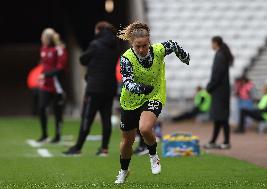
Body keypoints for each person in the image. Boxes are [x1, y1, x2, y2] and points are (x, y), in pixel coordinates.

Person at [114, 21, 190, 184]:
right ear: (132, 44)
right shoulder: (126, 58)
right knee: (127, 141)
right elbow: (126, 82)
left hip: (154, 94)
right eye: (138, 46)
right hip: (131, 99)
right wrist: (140, 88)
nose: (141, 50)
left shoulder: (159, 50)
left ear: (149, 42)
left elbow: (174, 45)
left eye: (144, 46)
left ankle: (154, 156)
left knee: (145, 128)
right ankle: (124, 170)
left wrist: (184, 56)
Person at [63, 21, 119, 156]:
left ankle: (78, 147)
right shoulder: (115, 46)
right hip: (110, 87)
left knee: (87, 117)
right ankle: (104, 148)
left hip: (94, 88)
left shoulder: (95, 44)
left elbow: (83, 59)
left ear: (99, 30)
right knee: (106, 119)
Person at [204, 36, 233, 150]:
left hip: (220, 91)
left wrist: (209, 87)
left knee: (221, 117)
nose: (211, 45)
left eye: (212, 43)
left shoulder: (219, 56)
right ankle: (215, 141)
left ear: (216, 43)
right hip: (223, 91)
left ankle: (225, 141)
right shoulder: (222, 54)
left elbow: (217, 75)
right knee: (220, 118)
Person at [37, 28, 65, 143]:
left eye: (43, 37)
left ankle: (58, 136)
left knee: (57, 111)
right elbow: (44, 65)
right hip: (46, 85)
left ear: (48, 38)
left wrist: (46, 75)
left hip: (57, 85)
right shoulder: (43, 49)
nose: (41, 39)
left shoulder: (59, 49)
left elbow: (60, 68)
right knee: (41, 108)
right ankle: (44, 134)